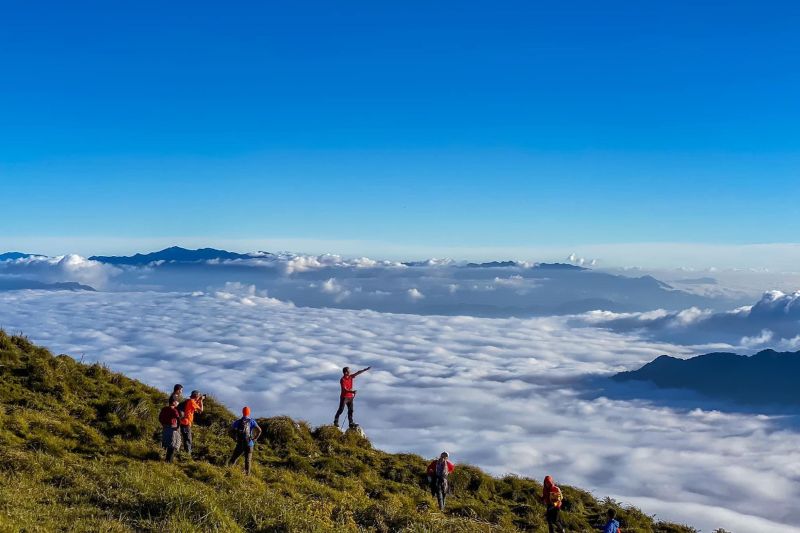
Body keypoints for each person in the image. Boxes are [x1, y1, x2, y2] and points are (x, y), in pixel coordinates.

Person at [228, 406, 262, 476]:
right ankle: (247, 475)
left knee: (233, 459)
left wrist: (234, 438)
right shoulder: (252, 421)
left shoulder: (238, 422)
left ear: (242, 412)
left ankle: (229, 472)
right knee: (248, 460)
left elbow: (230, 431)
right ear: (249, 413)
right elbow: (259, 430)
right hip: (249, 443)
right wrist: (255, 439)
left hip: (240, 443)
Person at [178, 390, 204, 455]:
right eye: (199, 396)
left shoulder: (190, 401)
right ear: (197, 396)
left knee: (186, 438)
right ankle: (187, 455)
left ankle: (186, 453)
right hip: (186, 423)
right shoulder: (192, 401)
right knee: (188, 439)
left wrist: (198, 401)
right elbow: (201, 410)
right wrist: (201, 401)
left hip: (184, 422)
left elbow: (196, 409)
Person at [158, 398, 182, 462]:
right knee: (173, 444)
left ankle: (167, 459)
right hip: (172, 428)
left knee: (167, 443)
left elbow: (160, 418)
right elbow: (179, 419)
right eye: (177, 402)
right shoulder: (174, 410)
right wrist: (177, 427)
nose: (178, 403)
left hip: (165, 427)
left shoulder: (164, 409)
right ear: (174, 402)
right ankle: (169, 461)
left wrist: (163, 424)